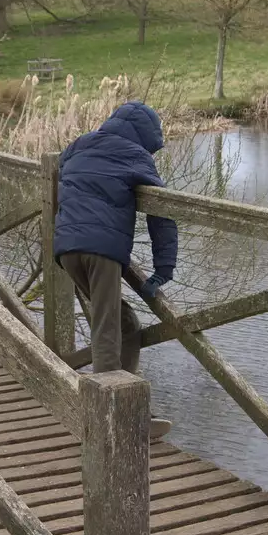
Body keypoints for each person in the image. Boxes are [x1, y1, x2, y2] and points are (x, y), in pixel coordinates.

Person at [53, 101, 177, 438]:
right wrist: (163, 268)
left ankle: (127, 399)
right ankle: (111, 416)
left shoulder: (79, 143)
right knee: (106, 328)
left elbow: (63, 178)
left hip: (66, 250)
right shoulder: (137, 157)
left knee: (126, 323)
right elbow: (162, 213)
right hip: (100, 252)